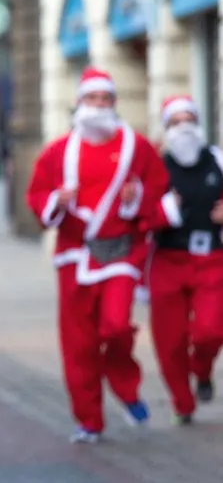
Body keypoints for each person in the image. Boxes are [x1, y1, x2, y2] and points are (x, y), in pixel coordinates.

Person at [25, 67, 168, 444]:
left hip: (119, 253)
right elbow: (37, 194)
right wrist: (58, 200)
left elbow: (158, 191)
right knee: (79, 342)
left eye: (105, 100)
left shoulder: (136, 147)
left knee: (117, 326)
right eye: (92, 99)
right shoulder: (59, 151)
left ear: (114, 105)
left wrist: (136, 199)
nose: (99, 106)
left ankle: (124, 385)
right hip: (74, 256)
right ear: (79, 103)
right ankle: (88, 420)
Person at [142, 95, 223, 425]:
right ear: (165, 128)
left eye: (188, 119)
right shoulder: (155, 167)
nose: (183, 127)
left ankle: (201, 372)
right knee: (170, 340)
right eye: (175, 122)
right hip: (167, 261)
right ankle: (182, 401)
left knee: (210, 331)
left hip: (212, 260)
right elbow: (140, 217)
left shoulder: (217, 159)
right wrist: (165, 210)